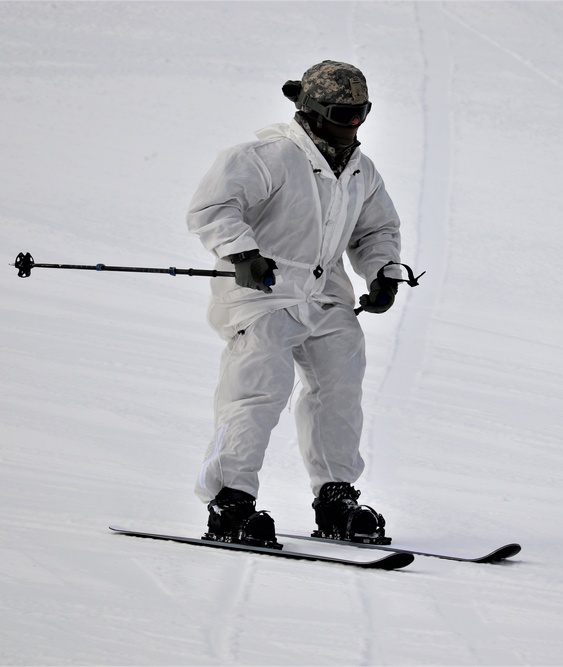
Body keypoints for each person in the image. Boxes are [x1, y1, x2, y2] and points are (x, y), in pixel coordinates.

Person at [186, 60, 407, 548]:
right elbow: (214, 207)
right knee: (257, 393)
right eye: (340, 113)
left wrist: (384, 273)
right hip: (262, 293)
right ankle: (230, 503)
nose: (351, 125)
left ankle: (335, 497)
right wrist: (241, 252)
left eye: (360, 114)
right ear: (310, 109)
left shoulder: (359, 171)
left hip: (326, 296)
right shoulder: (268, 155)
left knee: (340, 391)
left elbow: (377, 230)